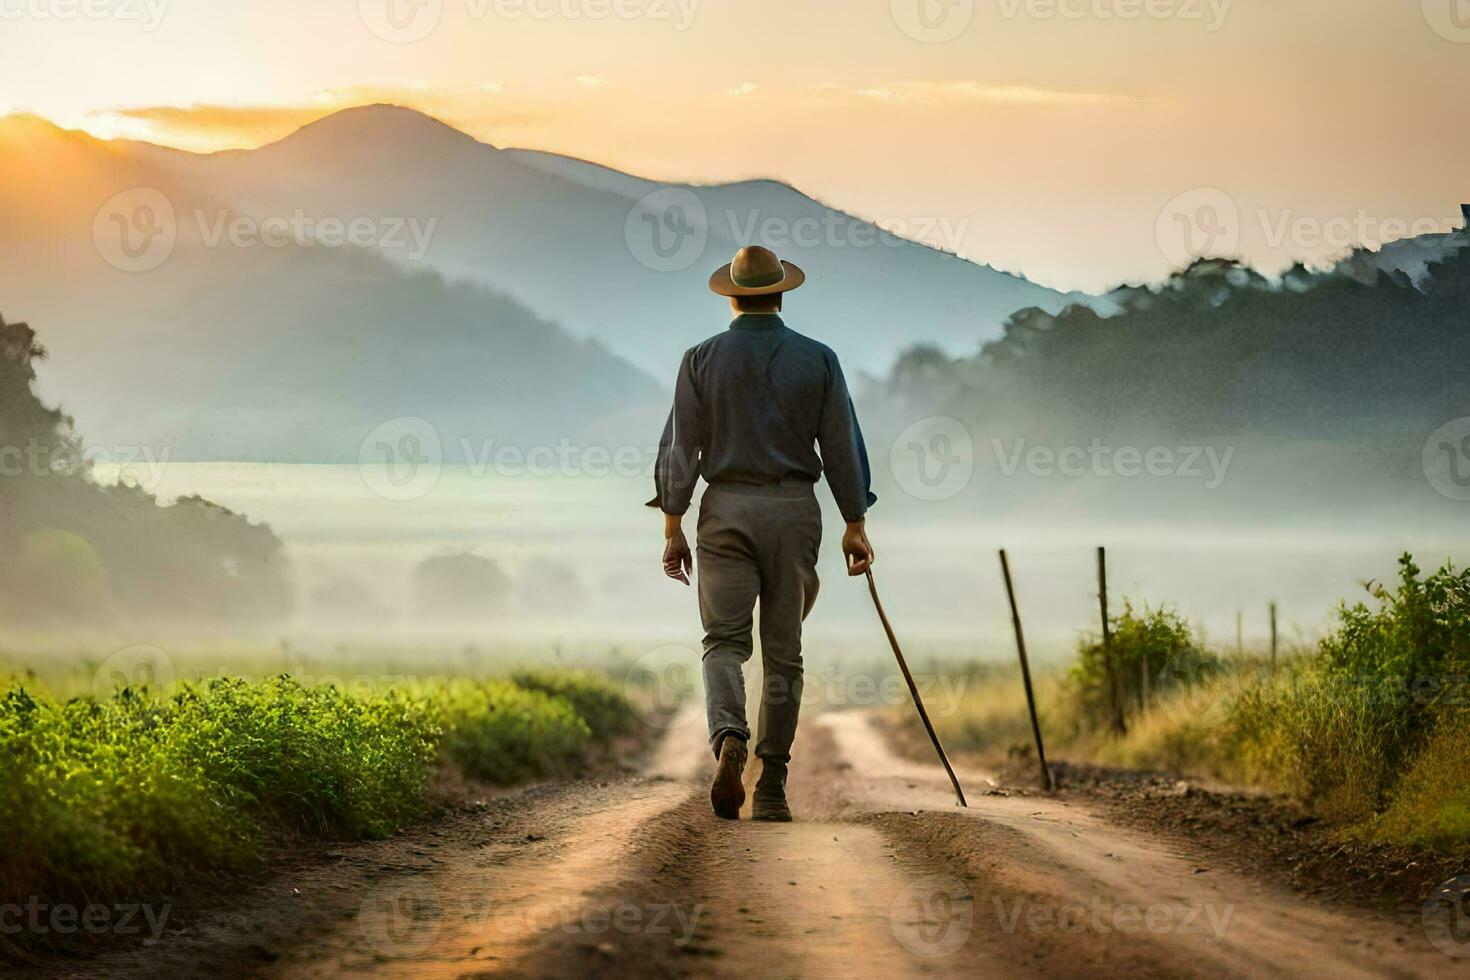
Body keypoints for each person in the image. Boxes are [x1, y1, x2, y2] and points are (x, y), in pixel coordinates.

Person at [648, 245, 877, 821]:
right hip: (794, 511)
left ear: (731, 296)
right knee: (784, 655)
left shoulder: (700, 359)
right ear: (781, 293)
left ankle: (729, 737)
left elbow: (682, 448)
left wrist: (673, 524)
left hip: (724, 510)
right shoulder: (818, 359)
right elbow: (841, 445)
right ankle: (772, 784)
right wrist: (855, 522)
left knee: (722, 643)